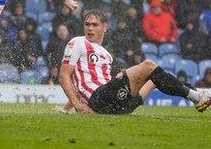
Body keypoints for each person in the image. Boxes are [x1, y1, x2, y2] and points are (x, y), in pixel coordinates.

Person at [59, 10, 210, 115]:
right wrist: (77, 106)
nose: (90, 28)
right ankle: (195, 97)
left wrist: (67, 108)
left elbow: (85, 83)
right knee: (148, 65)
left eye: (95, 24)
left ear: (105, 27)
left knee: (154, 77)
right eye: (87, 24)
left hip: (117, 105)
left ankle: (195, 93)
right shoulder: (77, 42)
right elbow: (64, 75)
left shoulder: (106, 54)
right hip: (98, 100)